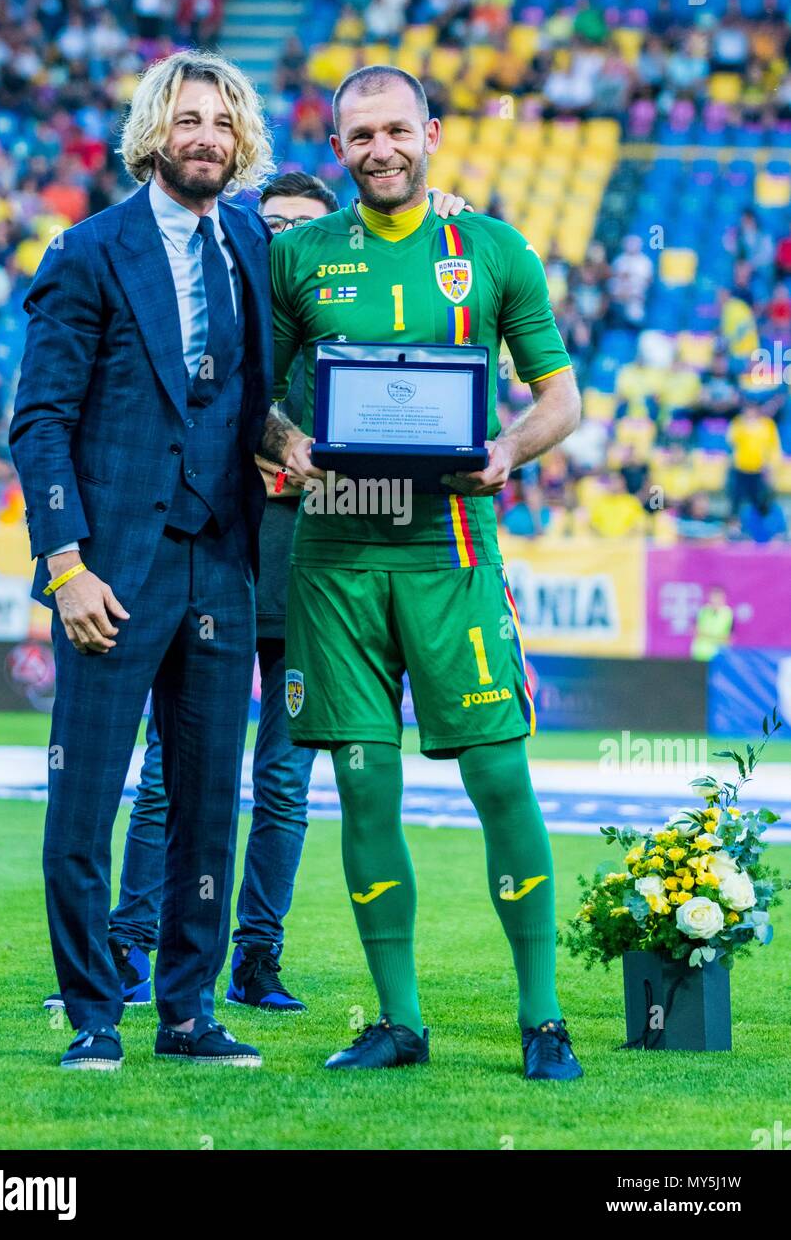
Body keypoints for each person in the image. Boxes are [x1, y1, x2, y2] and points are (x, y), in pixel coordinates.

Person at [40, 174, 472, 1018]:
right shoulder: (231, 312)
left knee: (279, 783)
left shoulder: (345, 335)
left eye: (303, 230)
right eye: (271, 226)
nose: (284, 244)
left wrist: (440, 211)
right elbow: (176, 437)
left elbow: (388, 467)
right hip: (217, 567)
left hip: (306, 581)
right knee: (173, 776)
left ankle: (253, 959)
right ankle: (132, 949)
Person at [261, 65, 584, 1080]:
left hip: (450, 552)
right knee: (363, 789)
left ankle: (542, 1018)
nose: (379, 150)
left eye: (395, 130)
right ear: (337, 150)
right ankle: (397, 1022)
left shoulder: (490, 248)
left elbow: (558, 399)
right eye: (358, 137)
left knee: (499, 777)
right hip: (336, 561)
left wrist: (506, 452)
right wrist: (286, 442)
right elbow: (253, 402)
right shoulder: (298, 256)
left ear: (432, 133)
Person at [10, 50, 275, 1071]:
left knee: (208, 807)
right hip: (110, 571)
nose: (203, 135)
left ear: (238, 137)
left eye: (220, 121)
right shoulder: (86, 251)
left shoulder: (251, 243)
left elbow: (265, 389)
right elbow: (38, 423)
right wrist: (66, 564)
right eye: (186, 118)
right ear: (152, 133)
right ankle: (91, 1016)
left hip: (222, 560)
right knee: (85, 806)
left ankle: (188, 1015)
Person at [690, 587, 734, 662]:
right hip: (701, 654)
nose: (716, 601)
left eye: (718, 598)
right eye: (714, 597)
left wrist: (705, 635)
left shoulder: (728, 613)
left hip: (719, 655)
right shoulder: (703, 611)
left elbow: (730, 638)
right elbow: (694, 631)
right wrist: (718, 637)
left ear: (723, 599)